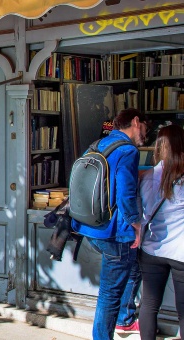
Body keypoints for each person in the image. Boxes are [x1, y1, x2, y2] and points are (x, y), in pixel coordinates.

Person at [72, 108, 148, 340]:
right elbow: (125, 192)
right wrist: (136, 224)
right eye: (146, 126)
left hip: (90, 227)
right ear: (136, 122)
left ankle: (125, 321)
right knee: (110, 293)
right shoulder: (128, 150)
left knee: (133, 268)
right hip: (116, 233)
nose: (147, 133)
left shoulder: (97, 146)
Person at [138, 124, 184, 339]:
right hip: (180, 253)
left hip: (152, 250)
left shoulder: (147, 177)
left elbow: (142, 211)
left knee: (148, 304)